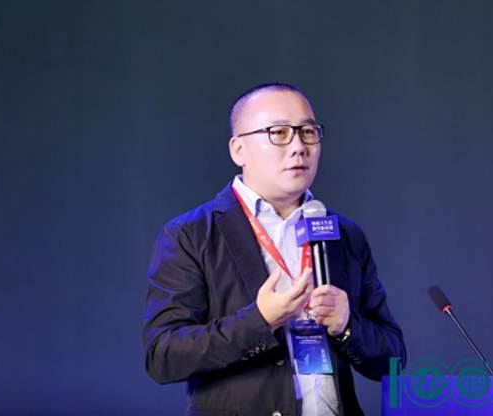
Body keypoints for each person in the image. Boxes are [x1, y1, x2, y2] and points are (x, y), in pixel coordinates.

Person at [142, 83, 406, 416]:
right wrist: (260, 320)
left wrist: (346, 325)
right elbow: (162, 356)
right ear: (238, 150)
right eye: (278, 133)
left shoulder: (345, 234)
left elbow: (393, 359)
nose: (298, 147)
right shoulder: (190, 234)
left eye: (308, 132)